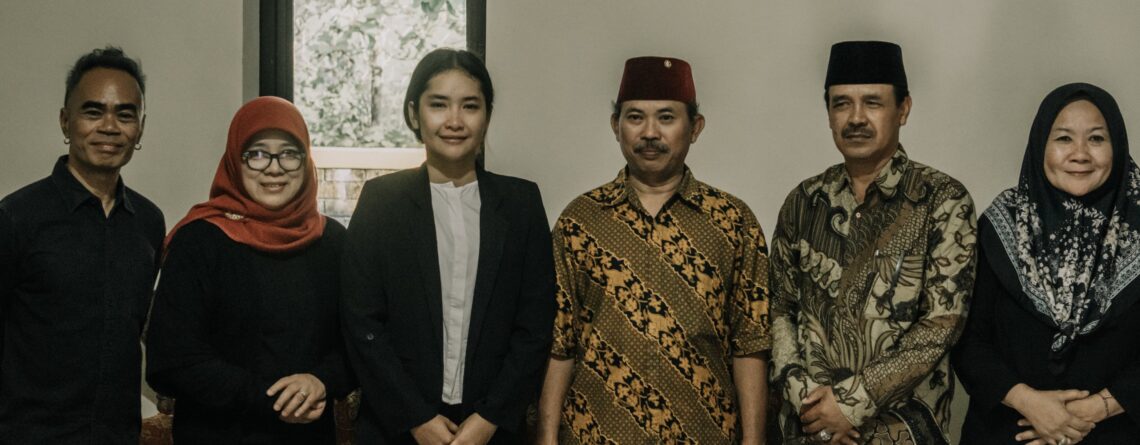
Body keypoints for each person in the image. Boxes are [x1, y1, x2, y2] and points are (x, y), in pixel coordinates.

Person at [535, 56, 771, 445]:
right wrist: (545, 437)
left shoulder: (733, 222)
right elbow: (560, 343)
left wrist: (754, 440)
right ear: (616, 126)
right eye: (635, 117)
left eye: (666, 117)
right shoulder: (580, 221)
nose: (649, 132)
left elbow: (750, 344)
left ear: (695, 127)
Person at [341, 48, 555, 445]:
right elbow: (361, 322)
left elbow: (535, 326)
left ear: (486, 116)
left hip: (491, 430)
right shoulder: (381, 201)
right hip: (396, 428)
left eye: (470, 106)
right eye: (438, 105)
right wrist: (416, 418)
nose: (454, 121)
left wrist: (490, 418)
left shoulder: (521, 204)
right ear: (413, 114)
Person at [768, 41, 976, 445]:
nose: (856, 118)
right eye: (842, 104)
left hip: (903, 431)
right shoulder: (803, 202)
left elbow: (941, 324)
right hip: (808, 431)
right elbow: (780, 309)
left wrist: (850, 404)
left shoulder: (942, 200)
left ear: (904, 109)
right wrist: (808, 402)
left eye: (873, 103)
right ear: (828, 113)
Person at [145, 96, 352, 444]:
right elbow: (172, 359)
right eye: (256, 154)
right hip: (218, 436)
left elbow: (359, 341)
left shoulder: (333, 242)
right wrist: (272, 400)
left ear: (306, 160)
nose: (274, 168)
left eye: (289, 153)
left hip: (307, 438)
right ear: (234, 160)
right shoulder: (199, 240)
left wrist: (322, 381)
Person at [953, 83, 1140, 444]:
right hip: (1007, 433)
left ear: (1117, 146)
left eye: (1096, 139)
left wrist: (1096, 409)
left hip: (1118, 433)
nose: (1080, 154)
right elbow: (966, 341)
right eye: (1064, 138)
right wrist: (1030, 403)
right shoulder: (1001, 225)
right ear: (1040, 145)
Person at [0, 46, 164, 443]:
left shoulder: (149, 222)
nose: (109, 127)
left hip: (117, 435)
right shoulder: (16, 217)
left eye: (125, 114)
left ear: (141, 128)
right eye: (93, 112)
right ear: (65, 121)